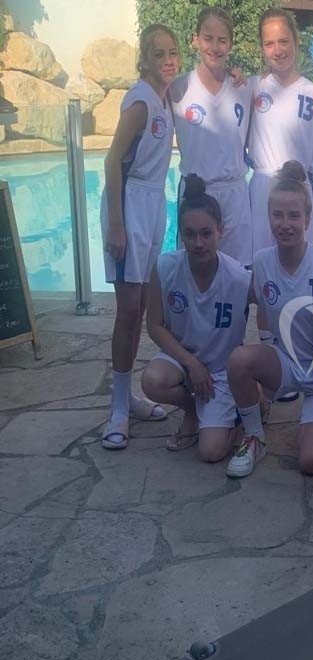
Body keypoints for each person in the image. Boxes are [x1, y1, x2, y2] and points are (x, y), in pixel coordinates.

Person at [225, 161, 313, 479]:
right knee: (239, 361)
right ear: (268, 217)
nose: (285, 224)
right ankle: (254, 436)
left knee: (309, 462)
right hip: (286, 366)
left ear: (308, 219)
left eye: (293, 216)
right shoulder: (261, 262)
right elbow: (254, 304)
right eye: (277, 215)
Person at [100, 24, 179, 449]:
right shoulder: (140, 102)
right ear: (145, 59)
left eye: (173, 52)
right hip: (129, 204)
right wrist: (116, 223)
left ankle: (128, 397)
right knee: (128, 310)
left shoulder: (166, 96)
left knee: (143, 303)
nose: (168, 60)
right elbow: (113, 161)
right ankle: (117, 407)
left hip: (152, 206)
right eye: (159, 53)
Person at [141, 176, 251, 462]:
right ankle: (192, 410)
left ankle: (240, 410)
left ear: (220, 232)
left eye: (206, 233)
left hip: (220, 372)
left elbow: (275, 305)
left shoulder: (239, 278)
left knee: (211, 452)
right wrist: (192, 364)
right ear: (181, 234)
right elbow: (154, 324)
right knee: (152, 381)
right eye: (190, 234)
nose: (198, 243)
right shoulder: (166, 267)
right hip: (183, 359)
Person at [171, 6, 254, 266]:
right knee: (193, 274)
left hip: (235, 194)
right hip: (196, 194)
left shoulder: (244, 88)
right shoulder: (178, 89)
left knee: (237, 274)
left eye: (222, 40)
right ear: (195, 39)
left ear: (230, 43)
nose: (215, 47)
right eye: (208, 38)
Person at [247, 8, 313, 255]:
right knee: (262, 268)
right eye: (269, 44)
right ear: (262, 48)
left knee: (303, 268)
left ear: (295, 41)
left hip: (300, 192)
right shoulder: (250, 88)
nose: (278, 50)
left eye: (283, 41)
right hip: (262, 191)